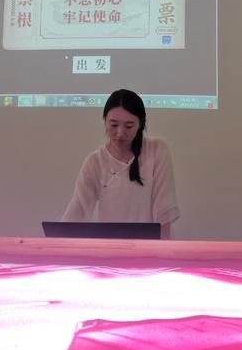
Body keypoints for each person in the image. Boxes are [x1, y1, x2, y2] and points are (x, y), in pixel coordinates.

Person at [62, 89, 180, 239]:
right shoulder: (95, 161)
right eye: (113, 125)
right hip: (110, 247)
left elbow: (164, 213)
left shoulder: (157, 150)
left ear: (140, 124)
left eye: (128, 126)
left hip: (150, 246)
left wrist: (161, 250)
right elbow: (77, 212)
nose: (120, 133)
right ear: (105, 121)